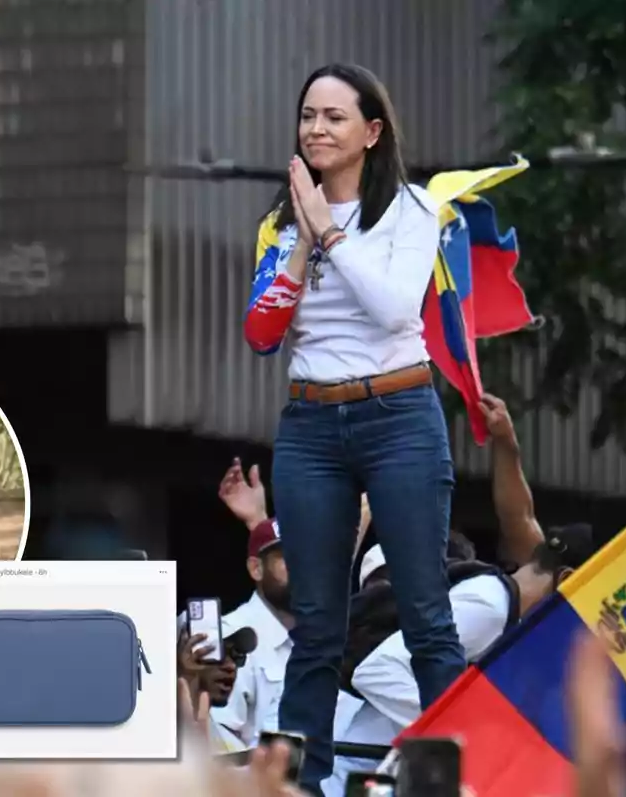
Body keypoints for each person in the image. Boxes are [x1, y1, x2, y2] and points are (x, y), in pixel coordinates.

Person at [242, 62, 463, 793]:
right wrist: (303, 241)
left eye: (335, 117)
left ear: (372, 133)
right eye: (308, 116)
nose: (316, 129)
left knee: (426, 612)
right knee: (315, 623)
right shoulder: (280, 222)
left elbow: (396, 309)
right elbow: (262, 333)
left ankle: (447, 778)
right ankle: (302, 784)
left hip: (399, 415)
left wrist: (331, 233)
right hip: (311, 425)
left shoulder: (411, 210)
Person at [210, 520, 295, 751]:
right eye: (289, 557)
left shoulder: (318, 636)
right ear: (256, 568)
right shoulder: (231, 633)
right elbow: (219, 738)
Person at [176, 619, 260, 753]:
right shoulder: (149, 733)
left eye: (237, 655)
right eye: (215, 652)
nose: (231, 666)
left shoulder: (235, 749)